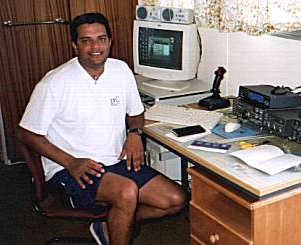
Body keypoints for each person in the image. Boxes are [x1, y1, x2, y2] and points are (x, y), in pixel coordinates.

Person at [17, 13, 186, 245]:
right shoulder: (54, 83)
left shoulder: (121, 70)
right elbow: (26, 133)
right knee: (126, 192)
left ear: (110, 41)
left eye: (101, 38)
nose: (96, 47)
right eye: (86, 40)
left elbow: (136, 114)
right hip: (73, 167)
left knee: (175, 200)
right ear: (75, 45)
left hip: (115, 160)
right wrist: (70, 162)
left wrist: (134, 134)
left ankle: (110, 225)